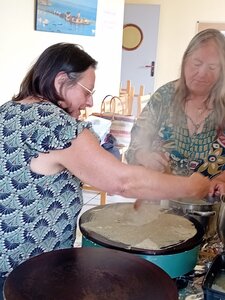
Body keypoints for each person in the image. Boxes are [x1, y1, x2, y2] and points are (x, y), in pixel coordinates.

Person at [0, 42, 209, 297]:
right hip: (25, 269)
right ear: (61, 80)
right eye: (87, 92)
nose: (89, 102)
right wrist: (192, 185)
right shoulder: (54, 123)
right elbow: (122, 182)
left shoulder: (9, 110)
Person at [126, 28, 225, 197]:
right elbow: (135, 144)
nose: (202, 73)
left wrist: (222, 180)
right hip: (158, 203)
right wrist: (143, 155)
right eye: (197, 63)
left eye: (212, 67)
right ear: (185, 61)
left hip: (208, 209)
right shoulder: (163, 97)